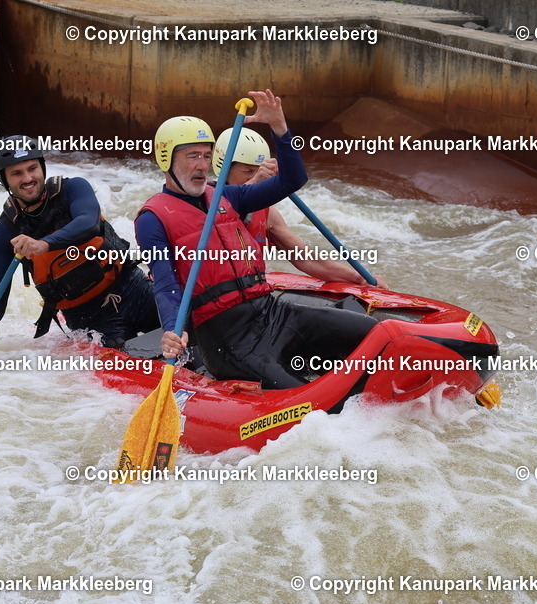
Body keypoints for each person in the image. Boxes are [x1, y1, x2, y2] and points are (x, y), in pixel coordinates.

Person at [134, 89, 377, 390]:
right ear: (165, 158)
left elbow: (293, 180)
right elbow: (165, 284)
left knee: (373, 333)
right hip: (227, 340)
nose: (202, 165)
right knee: (305, 397)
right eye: (192, 156)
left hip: (271, 313)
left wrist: (280, 128)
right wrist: (172, 331)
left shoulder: (229, 196)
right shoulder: (152, 217)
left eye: (207, 156)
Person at [0, 136, 159, 350]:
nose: (27, 178)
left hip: (132, 288)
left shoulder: (73, 190)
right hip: (90, 319)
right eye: (16, 173)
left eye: (32, 168)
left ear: (42, 167)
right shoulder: (5, 231)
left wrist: (43, 244)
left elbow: (88, 223)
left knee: (189, 325)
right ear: (4, 180)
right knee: (125, 350)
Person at [212, 126, 388, 289]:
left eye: (259, 170)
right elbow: (226, 208)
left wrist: (359, 278)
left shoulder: (267, 213)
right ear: (223, 168)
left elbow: (305, 258)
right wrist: (254, 183)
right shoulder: (203, 203)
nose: (258, 176)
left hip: (250, 296)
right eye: (248, 171)